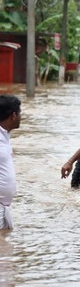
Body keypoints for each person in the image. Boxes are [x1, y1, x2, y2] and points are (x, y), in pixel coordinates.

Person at [0, 95, 21, 230]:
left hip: (4, 207)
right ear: (13, 115)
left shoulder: (5, 136)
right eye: (20, 113)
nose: (21, 117)